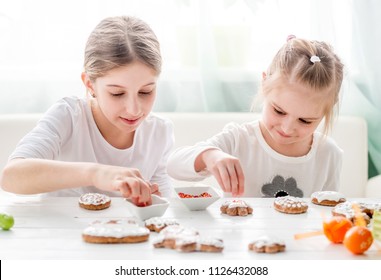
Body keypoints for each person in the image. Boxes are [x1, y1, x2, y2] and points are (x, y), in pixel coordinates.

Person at [0, 16, 174, 206]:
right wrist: (96, 174)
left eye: (145, 91)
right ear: (90, 84)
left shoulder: (159, 132)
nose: (134, 110)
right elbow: (11, 177)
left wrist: (149, 200)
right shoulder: (69, 116)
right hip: (61, 233)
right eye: (117, 93)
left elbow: (164, 207)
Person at [167, 36, 344, 198]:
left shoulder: (329, 154)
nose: (287, 128)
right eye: (279, 111)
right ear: (264, 82)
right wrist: (209, 156)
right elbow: (173, 166)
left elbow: (328, 215)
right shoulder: (238, 140)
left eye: (305, 121)